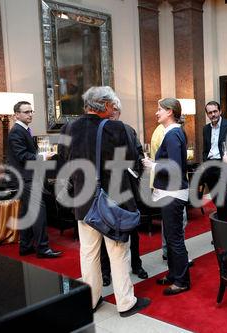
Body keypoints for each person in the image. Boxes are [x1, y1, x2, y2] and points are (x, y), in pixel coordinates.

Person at [59, 86, 150, 317]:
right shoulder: (116, 128)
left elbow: (63, 161)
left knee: (88, 253)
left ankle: (91, 299)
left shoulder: (70, 127)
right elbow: (131, 161)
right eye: (113, 105)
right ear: (106, 105)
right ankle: (125, 302)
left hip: (83, 199)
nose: (115, 109)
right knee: (118, 252)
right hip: (113, 200)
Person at [143, 97, 191, 295]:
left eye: (159, 109)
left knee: (174, 238)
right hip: (171, 191)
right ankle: (174, 274)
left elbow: (175, 167)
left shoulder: (172, 135)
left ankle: (181, 281)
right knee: (171, 238)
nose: (156, 112)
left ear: (170, 111)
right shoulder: (173, 133)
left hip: (172, 192)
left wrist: (152, 165)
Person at [99, 97, 149, 287]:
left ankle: (136, 264)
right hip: (106, 190)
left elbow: (139, 156)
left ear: (118, 112)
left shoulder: (129, 130)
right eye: (110, 111)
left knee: (133, 229)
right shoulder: (99, 132)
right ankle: (105, 272)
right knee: (106, 229)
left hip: (128, 188)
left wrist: (136, 176)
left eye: (115, 112)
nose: (112, 115)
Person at [7, 101, 62, 259]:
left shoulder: (23, 130)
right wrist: (44, 156)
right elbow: (22, 157)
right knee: (39, 212)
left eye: (31, 111)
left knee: (27, 212)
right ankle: (43, 249)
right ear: (16, 114)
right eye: (26, 112)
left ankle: (25, 246)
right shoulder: (17, 131)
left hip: (26, 178)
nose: (30, 114)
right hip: (26, 178)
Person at [202, 101, 227, 221]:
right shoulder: (205, 129)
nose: (213, 115)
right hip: (210, 167)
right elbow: (205, 149)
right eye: (210, 112)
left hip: (224, 166)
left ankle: (224, 227)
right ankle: (223, 223)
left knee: (224, 198)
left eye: (215, 111)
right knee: (216, 199)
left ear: (220, 111)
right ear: (207, 114)